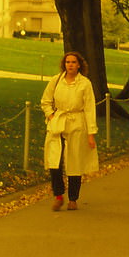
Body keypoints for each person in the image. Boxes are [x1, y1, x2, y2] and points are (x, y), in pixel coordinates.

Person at [41, 51, 99, 211]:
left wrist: (91, 134)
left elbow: (89, 108)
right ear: (64, 64)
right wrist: (51, 115)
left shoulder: (84, 83)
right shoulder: (56, 80)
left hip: (77, 124)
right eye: (68, 62)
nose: (70, 65)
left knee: (74, 162)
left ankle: (73, 199)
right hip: (59, 122)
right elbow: (45, 101)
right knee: (55, 161)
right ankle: (58, 195)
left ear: (79, 64)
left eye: (73, 62)